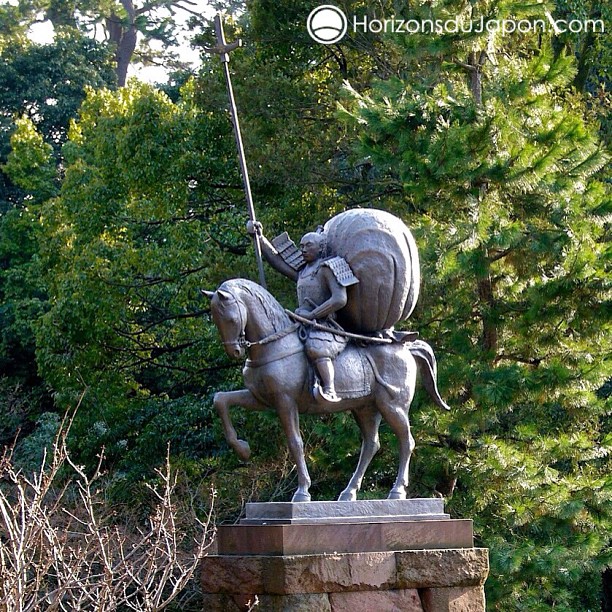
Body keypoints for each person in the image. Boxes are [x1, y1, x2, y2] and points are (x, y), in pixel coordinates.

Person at [247, 222, 358, 402]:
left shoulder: (328, 268)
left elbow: (339, 299)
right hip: (301, 322)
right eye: (302, 246)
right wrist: (259, 238)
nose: (303, 249)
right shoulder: (303, 271)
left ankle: (329, 389)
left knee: (317, 347)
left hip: (325, 325)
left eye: (308, 246)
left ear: (321, 248)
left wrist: (313, 315)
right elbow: (276, 260)